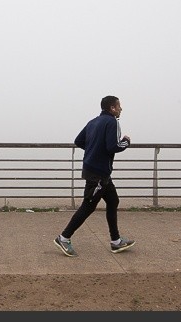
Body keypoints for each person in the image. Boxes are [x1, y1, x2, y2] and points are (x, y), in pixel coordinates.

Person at [54, 95, 135, 256]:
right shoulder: (112, 121)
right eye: (119, 106)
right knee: (88, 206)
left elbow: (79, 141)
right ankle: (63, 237)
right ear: (112, 108)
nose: (121, 109)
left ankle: (116, 241)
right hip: (97, 174)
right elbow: (113, 146)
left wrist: (93, 150)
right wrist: (126, 141)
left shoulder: (93, 122)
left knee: (113, 201)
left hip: (99, 172)